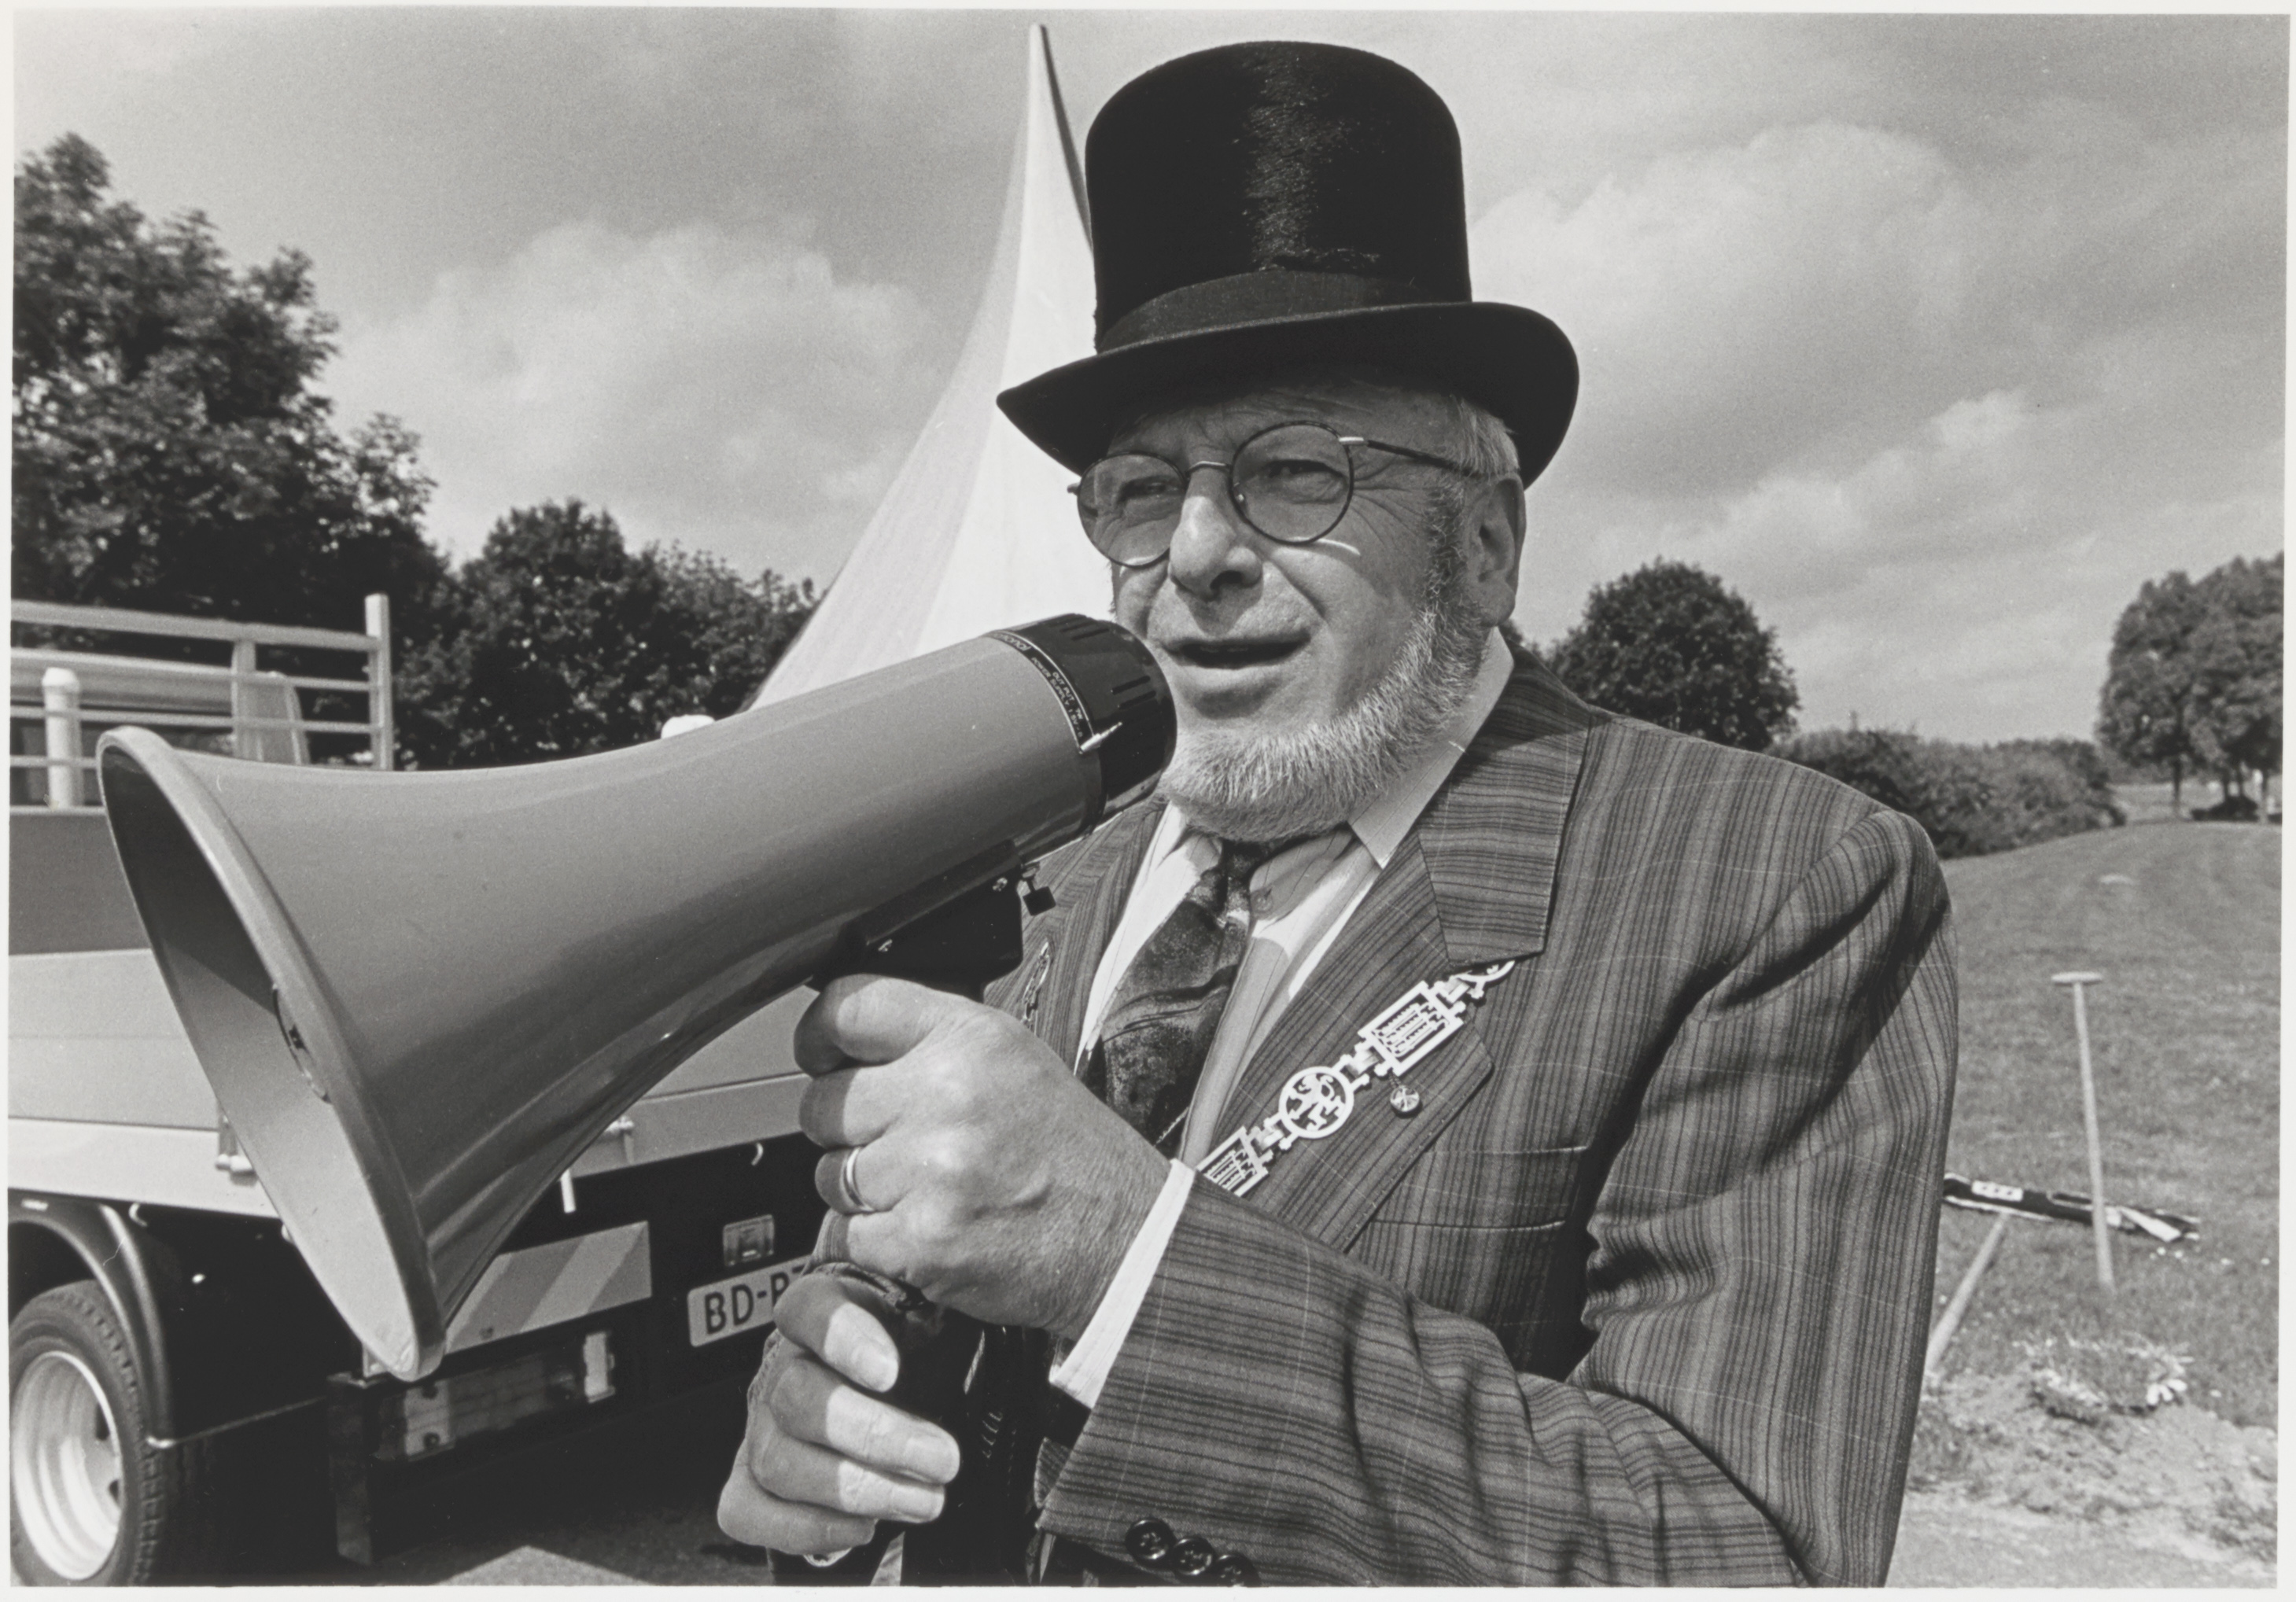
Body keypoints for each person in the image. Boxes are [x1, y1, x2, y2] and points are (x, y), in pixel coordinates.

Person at [718, 39, 1955, 1585]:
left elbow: (1744, 1549)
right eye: (1137, 487)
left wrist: (1129, 1261)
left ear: (1482, 546)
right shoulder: (1063, 873)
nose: (1193, 553)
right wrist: (829, 1402)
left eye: (1294, 470)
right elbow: (945, 1282)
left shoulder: (1778, 884)